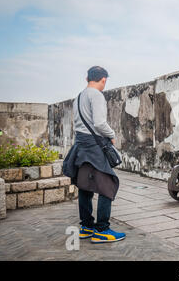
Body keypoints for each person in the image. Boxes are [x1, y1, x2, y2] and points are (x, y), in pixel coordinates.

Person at [63, 66, 125, 243]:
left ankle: (86, 226)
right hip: (93, 145)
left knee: (85, 185)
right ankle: (102, 230)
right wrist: (112, 135)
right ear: (103, 79)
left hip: (81, 145)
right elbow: (99, 123)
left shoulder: (79, 96)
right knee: (108, 184)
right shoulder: (96, 95)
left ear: (87, 78)